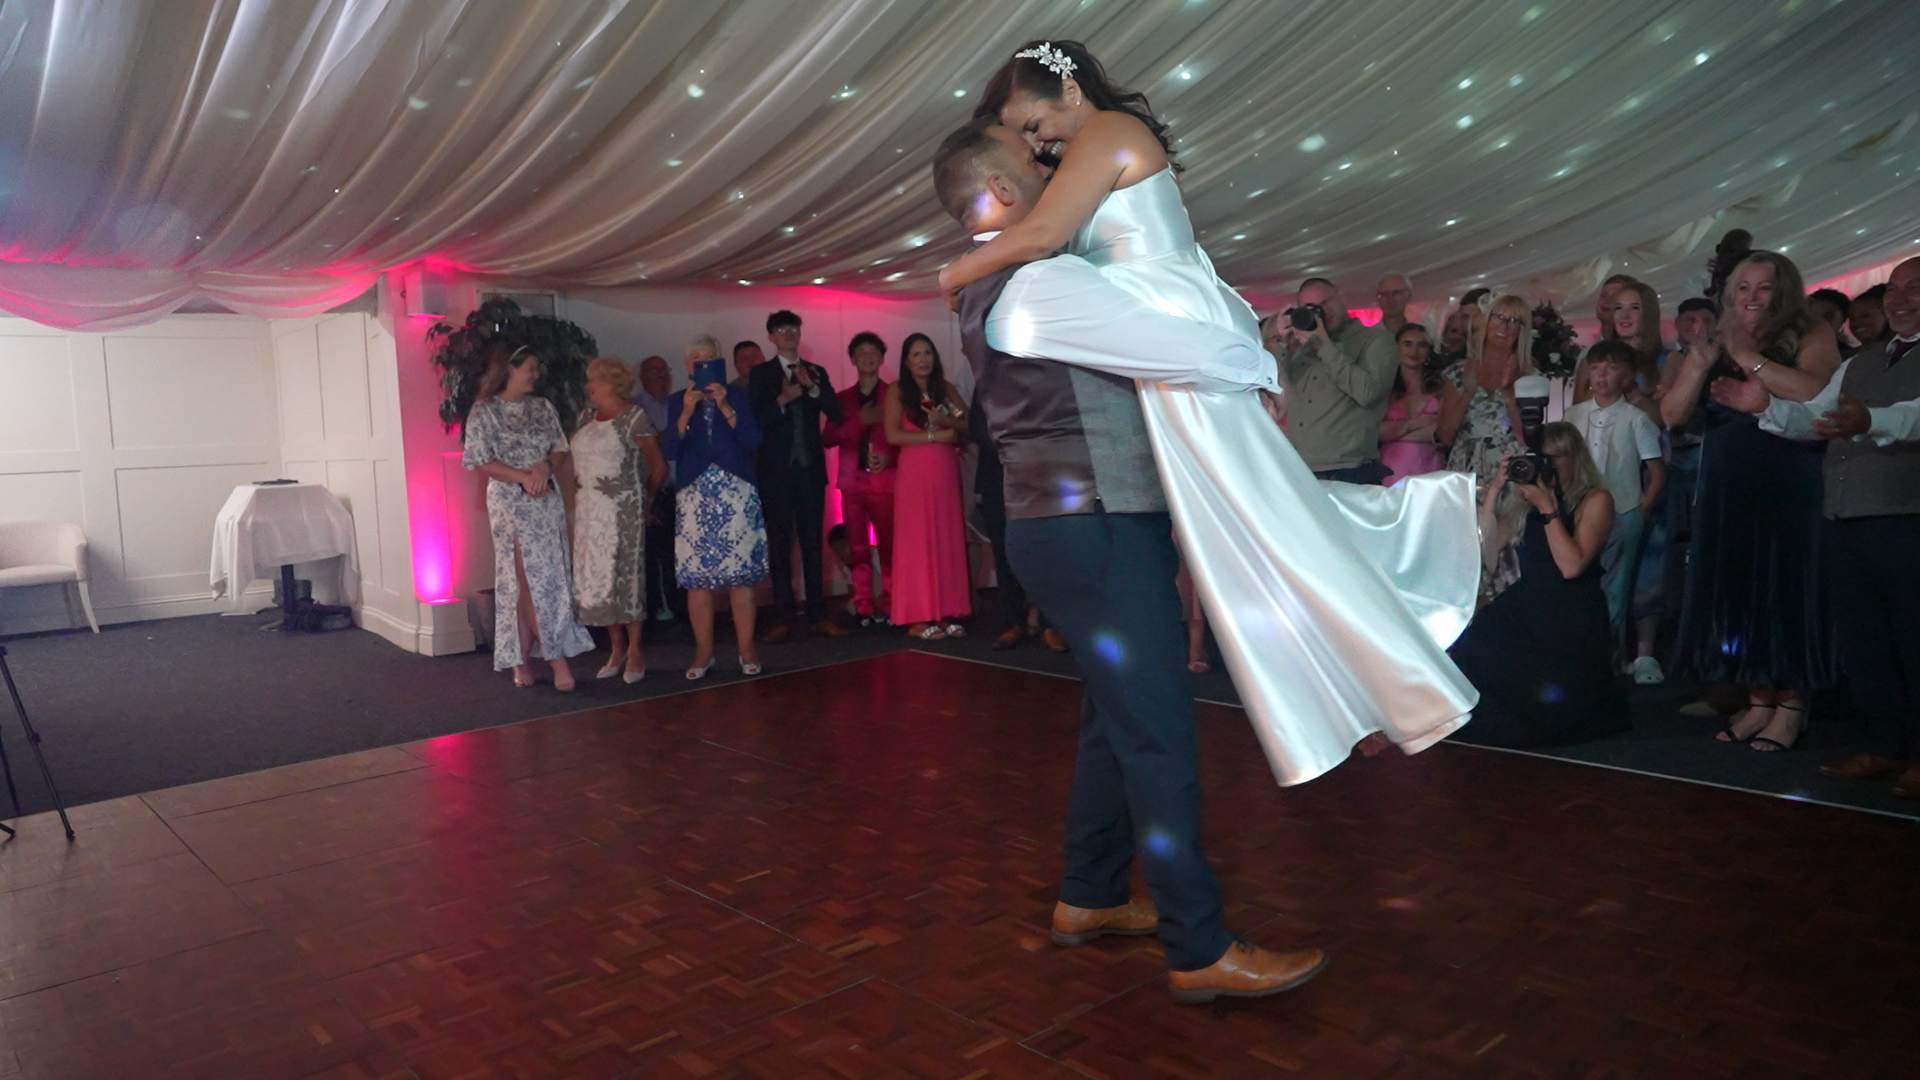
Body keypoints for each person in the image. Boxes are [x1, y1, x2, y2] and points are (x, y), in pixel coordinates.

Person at [936, 41, 1477, 1002]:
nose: (1055, 164)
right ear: (1004, 193)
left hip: (1068, 527)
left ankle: (1090, 894)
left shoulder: (1014, 283)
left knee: (1115, 719)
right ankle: (1198, 947)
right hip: (1097, 527)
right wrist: (1257, 363)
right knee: (1158, 732)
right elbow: (1188, 351)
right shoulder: (1041, 285)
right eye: (1033, 157)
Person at [1711, 256, 1920, 796]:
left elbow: (1914, 416)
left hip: (1906, 517)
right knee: (1866, 641)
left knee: (1913, 639)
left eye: (1914, 289)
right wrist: (1766, 409)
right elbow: (1818, 415)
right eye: (1894, 289)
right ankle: (1882, 745)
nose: (1900, 299)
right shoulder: (1864, 361)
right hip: (1845, 516)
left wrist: (1870, 420)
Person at [1661, 250, 1843, 752]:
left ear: (1782, 291)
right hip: (1727, 482)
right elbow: (1672, 414)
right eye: (1743, 287)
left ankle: (1792, 706)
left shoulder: (1811, 332)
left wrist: (1749, 358)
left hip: (1789, 476)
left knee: (1784, 588)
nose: (1752, 297)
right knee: (1740, 589)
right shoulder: (1716, 337)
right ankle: (1759, 698)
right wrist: (1698, 365)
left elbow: (1815, 390)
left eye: (1763, 287)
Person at [1449, 423, 1629, 748]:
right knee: (1473, 645)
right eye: (1538, 458)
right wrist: (1495, 491)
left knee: (1552, 708)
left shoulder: (1595, 499)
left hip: (1572, 612)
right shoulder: (1527, 501)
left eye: (1554, 458)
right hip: (1528, 602)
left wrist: (1549, 509)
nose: (1547, 466)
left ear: (1575, 458)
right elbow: (1486, 554)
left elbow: (1571, 566)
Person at [460, 343, 594, 690]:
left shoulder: (542, 406)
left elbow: (559, 448)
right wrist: (524, 477)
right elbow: (481, 460)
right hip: (511, 501)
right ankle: (555, 658)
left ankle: (521, 654)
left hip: (545, 498)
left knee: (549, 576)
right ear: (509, 369)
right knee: (524, 577)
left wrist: (544, 468)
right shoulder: (485, 410)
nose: (536, 374)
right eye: (530, 368)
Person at [665, 334, 767, 680]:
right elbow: (669, 449)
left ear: (719, 361)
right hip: (695, 494)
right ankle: (703, 652)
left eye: (707, 356)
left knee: (740, 577)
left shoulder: (738, 396)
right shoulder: (678, 400)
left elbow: (753, 440)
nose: (701, 362)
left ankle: (747, 648)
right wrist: (686, 411)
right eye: (695, 357)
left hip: (735, 491)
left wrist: (725, 406)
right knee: (698, 579)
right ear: (687, 366)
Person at [1564, 341, 1666, 671]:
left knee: (1616, 590)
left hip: (1623, 512)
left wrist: (1640, 512)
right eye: (1596, 368)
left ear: (1626, 375)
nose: (1602, 375)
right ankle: (1581, 658)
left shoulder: (1636, 418)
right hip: (1580, 512)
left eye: (1610, 368)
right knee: (1579, 585)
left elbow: (1657, 472)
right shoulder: (1574, 415)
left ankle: (1612, 661)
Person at [748, 310, 848, 641]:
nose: (788, 334)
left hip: (810, 471)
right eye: (781, 329)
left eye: (793, 328)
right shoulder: (761, 374)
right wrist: (783, 399)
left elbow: (835, 412)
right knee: (779, 545)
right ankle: (784, 616)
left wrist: (813, 390)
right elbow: (756, 419)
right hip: (776, 472)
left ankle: (818, 614)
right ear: (771, 337)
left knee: (812, 544)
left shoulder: (815, 372)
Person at [570, 357, 668, 682]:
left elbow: (658, 467)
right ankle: (616, 648)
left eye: (593, 380)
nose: (588, 386)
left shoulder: (634, 417)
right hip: (590, 511)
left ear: (611, 383)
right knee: (601, 579)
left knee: (626, 578)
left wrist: (645, 500)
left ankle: (636, 650)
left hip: (623, 510)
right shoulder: (584, 417)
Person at [1437, 293, 1534, 600]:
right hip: (1467, 468)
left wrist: (1509, 394)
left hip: (1510, 469)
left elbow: (1531, 439)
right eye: (1498, 318)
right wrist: (1467, 392)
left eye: (1514, 321)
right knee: (1465, 547)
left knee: (1506, 552)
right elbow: (1444, 434)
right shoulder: (1458, 371)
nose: (1504, 326)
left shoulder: (1530, 375)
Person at [885, 332, 973, 639]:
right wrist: (934, 435)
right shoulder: (898, 391)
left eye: (928, 353)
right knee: (917, 541)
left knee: (945, 537)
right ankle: (918, 617)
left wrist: (945, 421)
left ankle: (946, 611)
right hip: (915, 471)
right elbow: (893, 435)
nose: (923, 360)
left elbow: (967, 423)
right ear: (906, 361)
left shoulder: (945, 390)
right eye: (916, 354)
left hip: (945, 470)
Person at [1269, 277, 1398, 483]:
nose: (1321, 312)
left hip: (1349, 468)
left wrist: (1324, 346)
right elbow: (1275, 395)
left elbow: (1368, 394)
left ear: (1341, 298)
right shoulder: (1301, 346)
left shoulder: (1374, 340)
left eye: (1325, 303)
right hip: (1300, 468)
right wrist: (1282, 345)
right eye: (1310, 308)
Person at [821, 331, 896, 626]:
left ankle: (890, 603)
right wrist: (859, 422)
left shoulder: (894, 395)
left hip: (885, 480)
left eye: (873, 351)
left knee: (889, 546)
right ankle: (863, 603)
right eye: (861, 352)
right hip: (851, 482)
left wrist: (891, 457)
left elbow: (906, 436)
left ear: (882, 357)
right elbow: (828, 438)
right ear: (852, 359)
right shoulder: (841, 400)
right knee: (857, 548)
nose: (867, 356)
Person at [631, 354, 683, 624]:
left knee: (680, 555)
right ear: (642, 377)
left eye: (665, 370)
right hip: (652, 491)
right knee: (650, 559)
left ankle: (682, 613)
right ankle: (653, 616)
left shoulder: (679, 404)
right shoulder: (635, 409)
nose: (662, 376)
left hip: (681, 490)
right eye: (654, 371)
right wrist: (668, 436)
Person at [1378, 322, 1445, 484]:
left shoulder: (1441, 386)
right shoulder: (1384, 387)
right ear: (1396, 348)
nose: (1414, 351)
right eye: (1407, 344)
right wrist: (1415, 424)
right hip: (1391, 468)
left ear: (1429, 350)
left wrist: (1397, 432)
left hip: (1432, 470)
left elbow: (1443, 430)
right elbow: (1376, 431)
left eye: (1421, 345)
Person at [1848, 284, 1891, 357]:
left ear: (1886, 315)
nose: (1856, 322)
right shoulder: (1848, 357)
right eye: (1852, 318)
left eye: (1866, 316)